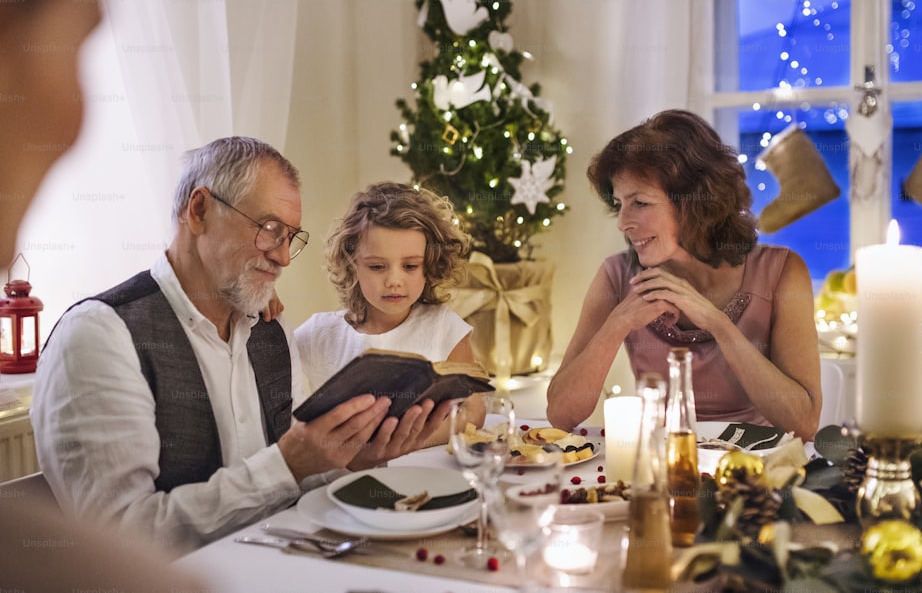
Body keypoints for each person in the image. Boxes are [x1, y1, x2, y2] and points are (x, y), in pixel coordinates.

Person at [31, 137, 440, 553]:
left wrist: (354, 459)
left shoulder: (271, 330)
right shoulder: (99, 336)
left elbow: (303, 482)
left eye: (290, 238)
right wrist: (286, 464)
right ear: (200, 210)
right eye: (269, 230)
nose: (282, 257)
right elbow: (119, 538)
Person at [0, 0, 208, 588]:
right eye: (80, 40)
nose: (76, 120)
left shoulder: (264, 334)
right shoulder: (101, 332)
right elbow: (126, 526)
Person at [545, 110, 821, 440]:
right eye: (619, 204)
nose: (623, 222)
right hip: (660, 469)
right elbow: (560, 415)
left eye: (640, 203)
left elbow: (803, 425)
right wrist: (618, 322)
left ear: (694, 203)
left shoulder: (780, 273)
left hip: (751, 476)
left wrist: (716, 322)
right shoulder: (618, 276)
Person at [295, 181, 484, 447]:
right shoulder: (317, 335)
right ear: (352, 265)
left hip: (425, 473)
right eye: (377, 266)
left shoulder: (445, 329)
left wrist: (399, 444)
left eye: (409, 266)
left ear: (428, 266)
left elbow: (474, 412)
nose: (394, 280)